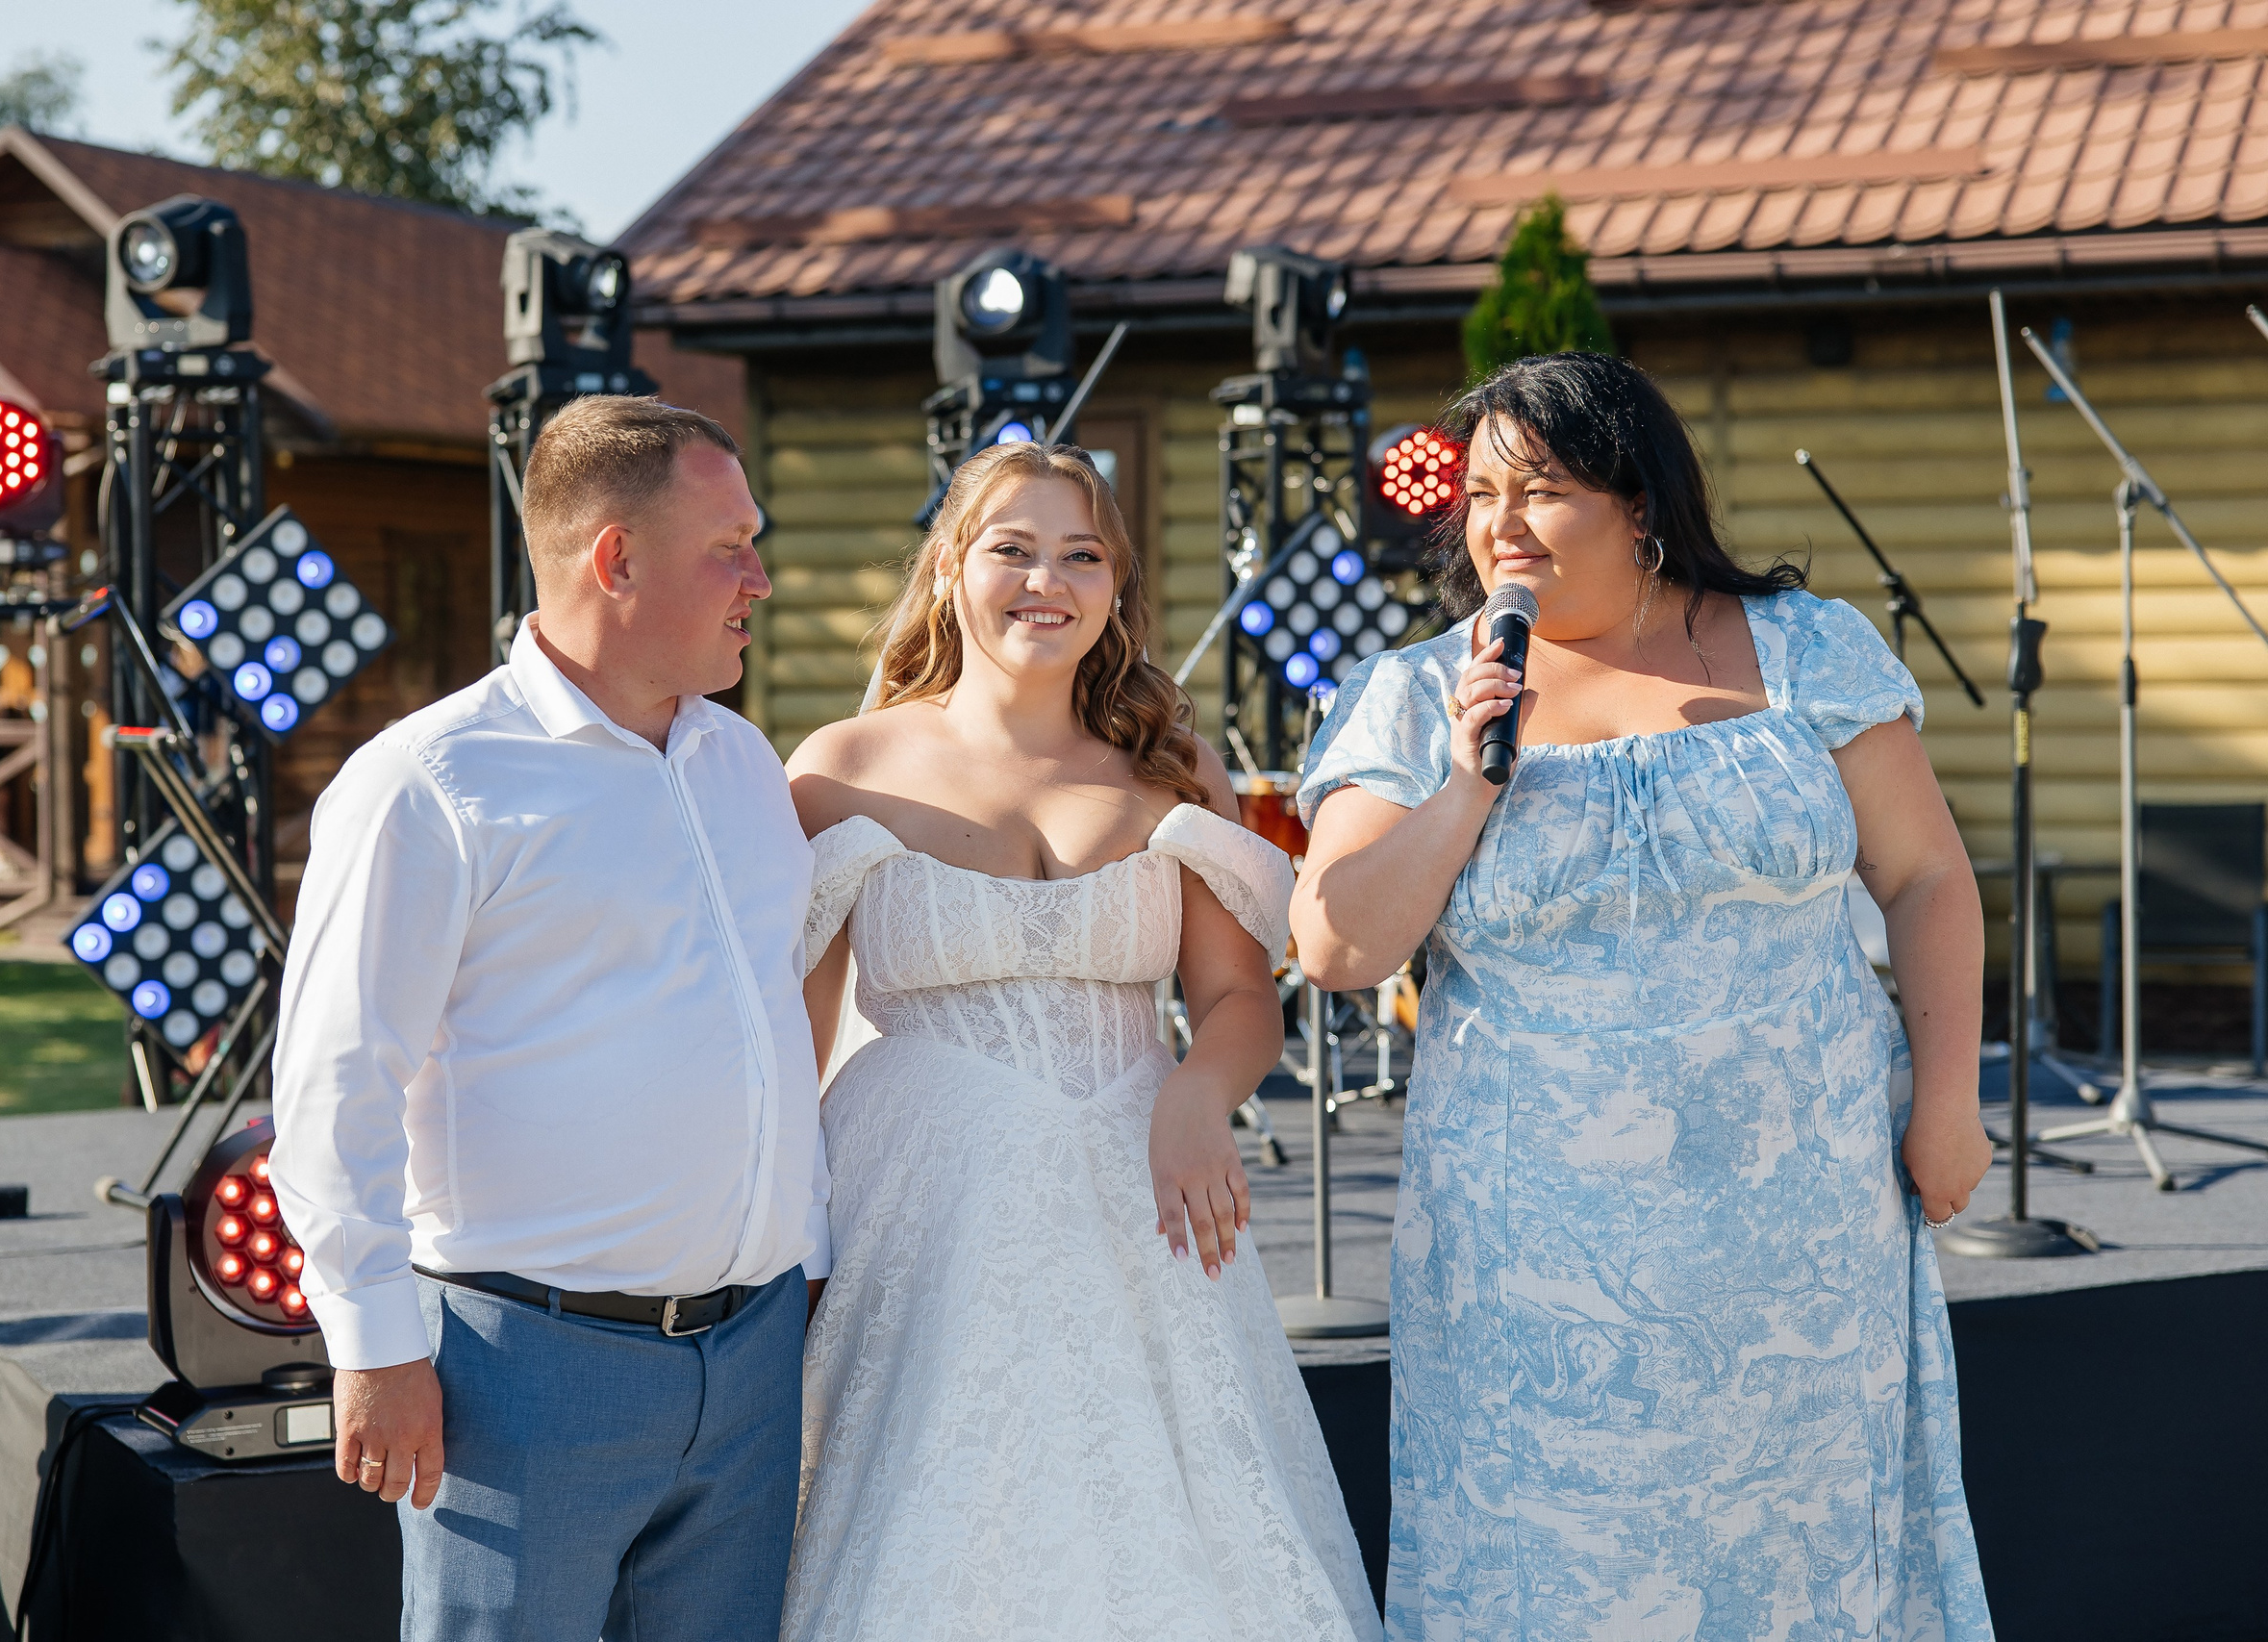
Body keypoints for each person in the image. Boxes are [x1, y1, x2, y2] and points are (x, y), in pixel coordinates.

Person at [1292, 352, 1995, 1641]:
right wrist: (1465, 783)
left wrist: (1947, 1100)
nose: (1500, 522)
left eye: (1543, 487)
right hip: (1541, 1269)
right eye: (1483, 492)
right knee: (1559, 1576)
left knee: (1802, 1560)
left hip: (1801, 1242)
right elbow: (1338, 943)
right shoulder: (1414, 693)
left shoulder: (1806, 654)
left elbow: (1927, 875)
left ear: (1641, 503)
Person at [782, 442, 1380, 1641]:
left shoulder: (1170, 771)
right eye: (1012, 547)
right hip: (914, 1209)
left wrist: (1199, 1094)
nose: (1043, 579)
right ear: (952, 566)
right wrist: (780, 1248)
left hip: (1142, 1202)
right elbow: (787, 1044)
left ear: (1114, 588)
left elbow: (1239, 999)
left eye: (1080, 553)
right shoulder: (840, 773)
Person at [269, 397, 827, 1642]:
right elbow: (334, 1079)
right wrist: (373, 1342)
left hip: (750, 1362)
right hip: (521, 1373)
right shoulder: (430, 780)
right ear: (615, 559)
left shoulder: (744, 765)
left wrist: (810, 1254)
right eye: (729, 545)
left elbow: (769, 1027)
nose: (763, 578)